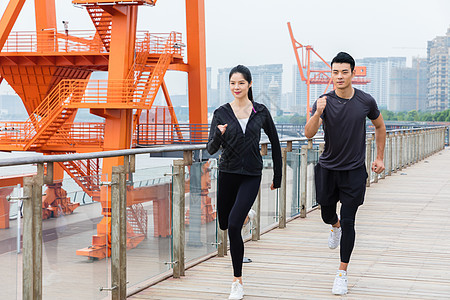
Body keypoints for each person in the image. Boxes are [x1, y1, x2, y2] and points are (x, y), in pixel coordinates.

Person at [304, 52, 386, 295]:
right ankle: (334, 226)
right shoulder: (323, 101)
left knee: (350, 220)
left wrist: (379, 157)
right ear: (331, 73)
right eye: (335, 72)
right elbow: (308, 133)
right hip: (328, 169)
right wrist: (318, 113)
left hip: (353, 172)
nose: (339, 76)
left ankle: (342, 273)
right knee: (327, 212)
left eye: (344, 72)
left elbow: (380, 126)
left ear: (352, 73)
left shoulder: (365, 101)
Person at [207, 65, 282, 300]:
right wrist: (219, 134)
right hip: (228, 172)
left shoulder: (260, 111)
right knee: (224, 223)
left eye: (240, 83)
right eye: (232, 83)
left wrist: (277, 176)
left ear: (249, 84)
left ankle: (237, 281)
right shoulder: (221, 112)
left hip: (251, 174)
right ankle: (246, 214)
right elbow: (210, 150)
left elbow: (276, 143)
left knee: (233, 225)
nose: (236, 87)